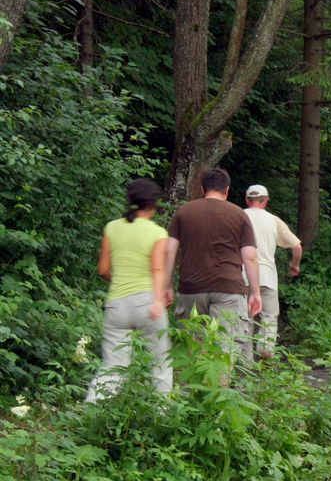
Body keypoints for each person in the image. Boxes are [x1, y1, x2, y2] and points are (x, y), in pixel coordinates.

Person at [86, 178, 173, 401]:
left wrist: (118, 281)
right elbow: (157, 268)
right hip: (147, 302)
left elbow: (103, 269)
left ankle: (93, 411)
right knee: (161, 362)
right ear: (153, 203)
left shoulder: (112, 227)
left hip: (116, 303)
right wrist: (156, 301)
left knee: (113, 365)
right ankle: (161, 416)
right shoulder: (157, 232)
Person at [164, 167, 263, 363]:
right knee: (224, 349)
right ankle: (219, 389)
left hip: (191, 288)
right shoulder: (239, 214)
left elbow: (169, 251)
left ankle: (195, 391)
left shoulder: (184, 212)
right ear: (227, 189)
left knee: (193, 347)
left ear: (202, 188)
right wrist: (255, 292)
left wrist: (167, 286)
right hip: (229, 288)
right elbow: (250, 257)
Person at [243, 184, 302, 359]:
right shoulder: (273, 220)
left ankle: (245, 362)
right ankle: (266, 349)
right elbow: (297, 247)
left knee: (244, 318)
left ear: (247, 200)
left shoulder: (239, 216)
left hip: (242, 275)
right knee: (269, 316)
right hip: (267, 276)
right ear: (266, 200)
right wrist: (294, 265)